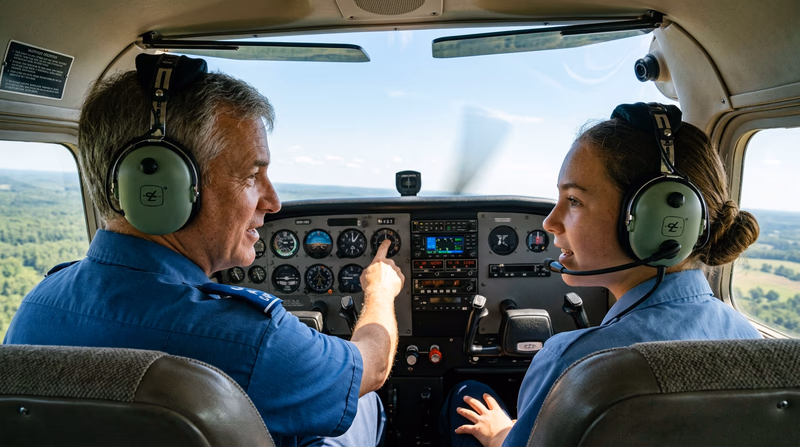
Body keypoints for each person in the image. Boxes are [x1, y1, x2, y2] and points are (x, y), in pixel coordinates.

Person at [4, 55, 405, 447]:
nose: (273, 201)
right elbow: (371, 367)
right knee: (361, 403)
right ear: (166, 187)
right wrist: (380, 293)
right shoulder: (247, 341)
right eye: (252, 175)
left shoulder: (36, 308)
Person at [440, 103, 762, 447]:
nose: (549, 222)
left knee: (467, 395)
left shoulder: (576, 363)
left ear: (657, 220)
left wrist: (501, 436)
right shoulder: (749, 342)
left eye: (574, 200)